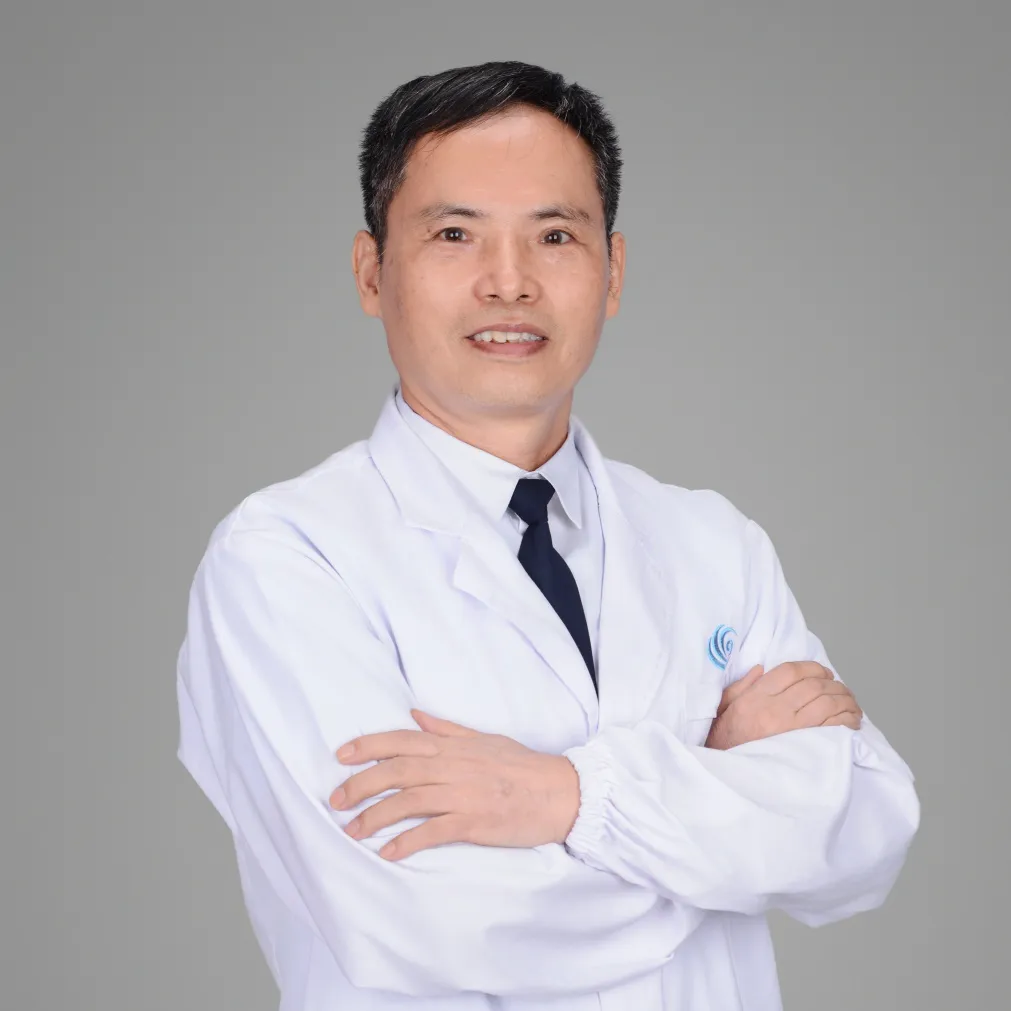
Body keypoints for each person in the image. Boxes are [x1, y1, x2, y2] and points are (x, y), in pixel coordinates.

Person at [175, 61, 919, 1011]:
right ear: (371, 272)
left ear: (612, 273)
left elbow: (864, 832)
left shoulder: (711, 542)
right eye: (454, 234)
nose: (509, 282)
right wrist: (723, 809)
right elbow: (436, 919)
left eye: (555, 235)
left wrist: (565, 796)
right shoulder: (285, 559)